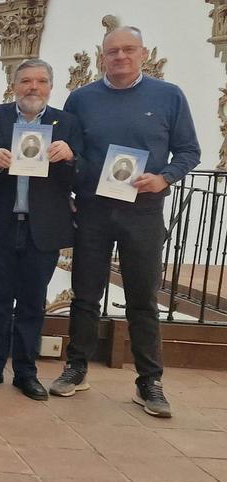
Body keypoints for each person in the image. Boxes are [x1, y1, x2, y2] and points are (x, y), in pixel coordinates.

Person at [52, 26, 200, 418]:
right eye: (112, 51)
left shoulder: (168, 96)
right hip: (93, 209)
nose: (120, 56)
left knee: (142, 299)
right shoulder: (81, 99)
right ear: (102, 57)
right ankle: (76, 367)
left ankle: (149, 382)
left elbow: (189, 151)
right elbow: (69, 154)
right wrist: (69, 195)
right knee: (84, 294)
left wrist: (164, 177)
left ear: (143, 53)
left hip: (143, 210)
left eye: (128, 50)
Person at [0, 59, 82, 400]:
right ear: (14, 84)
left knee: (33, 303)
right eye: (26, 81)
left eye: (41, 81)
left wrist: (70, 157)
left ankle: (25, 371)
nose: (33, 87)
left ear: (50, 86)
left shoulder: (68, 123)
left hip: (43, 227)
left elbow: (78, 178)